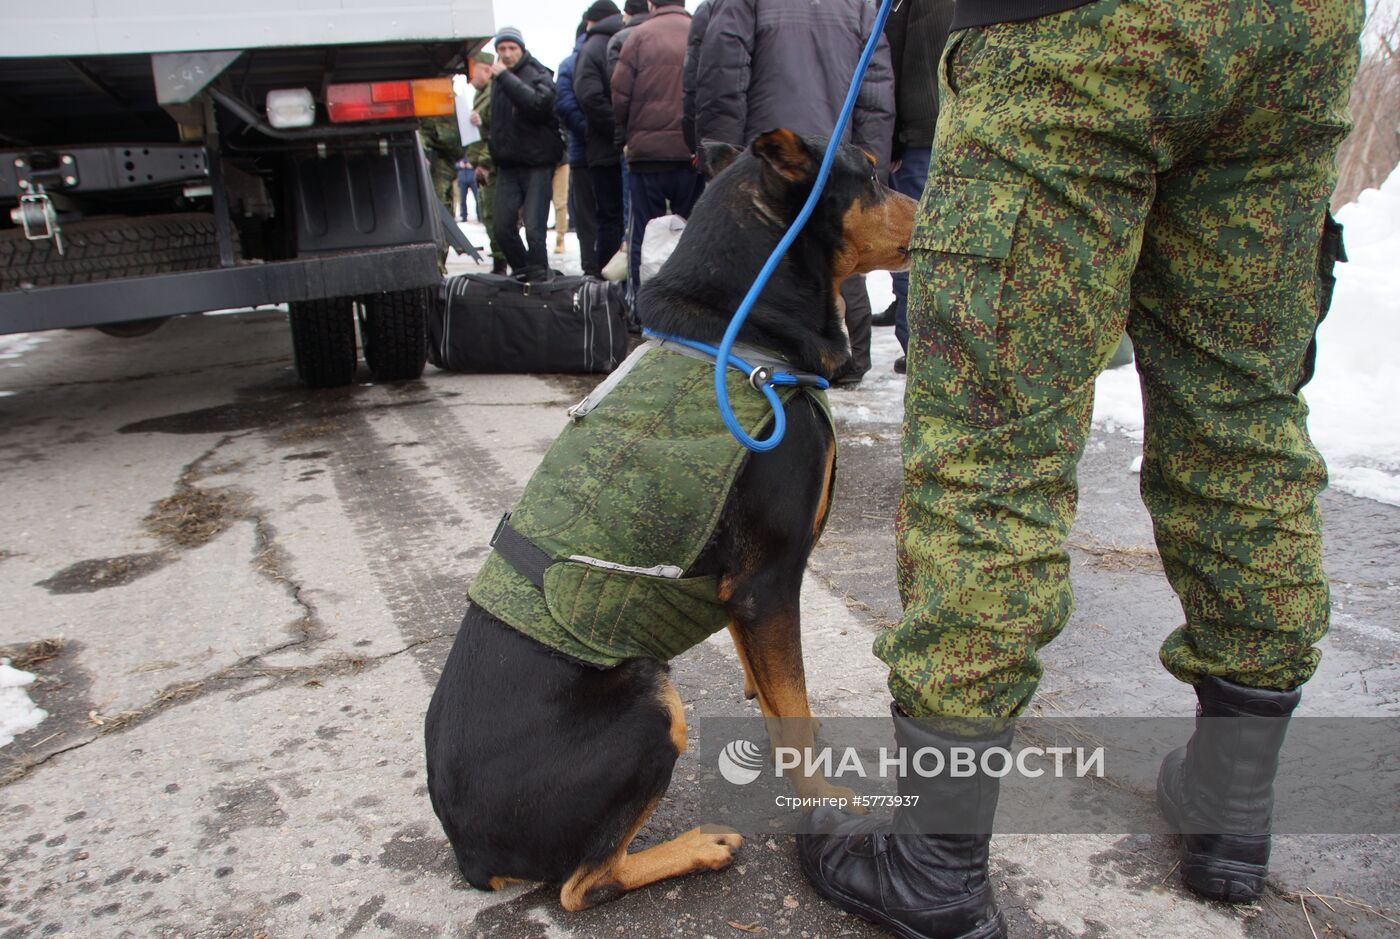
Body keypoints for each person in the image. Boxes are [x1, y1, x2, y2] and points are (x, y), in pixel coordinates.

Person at [797, 3, 1363, 938]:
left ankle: (936, 865)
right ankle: (1231, 803)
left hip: (1074, 34)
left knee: (992, 447)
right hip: (1290, 33)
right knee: (1241, 415)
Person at [694, 0, 894, 386]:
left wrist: (722, 161)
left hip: (769, 161)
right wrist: (870, 173)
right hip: (837, 156)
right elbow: (876, 93)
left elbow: (724, 74)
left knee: (760, 262)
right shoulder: (859, 6)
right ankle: (852, 362)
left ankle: (757, 355)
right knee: (843, 254)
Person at [873, 0, 955, 375]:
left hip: (923, 130)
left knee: (916, 240)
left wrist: (888, 144)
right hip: (968, 125)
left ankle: (918, 343)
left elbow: (885, 57)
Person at [612, 0, 704, 304]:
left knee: (642, 232)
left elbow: (620, 95)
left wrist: (626, 135)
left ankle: (641, 306)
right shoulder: (698, 30)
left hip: (646, 154)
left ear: (651, 3)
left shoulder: (638, 36)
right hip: (690, 153)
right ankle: (688, 305)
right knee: (691, 233)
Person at [487, 26, 565, 281]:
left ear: (522, 49)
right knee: (501, 227)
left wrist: (507, 79)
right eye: (501, 49)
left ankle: (541, 280)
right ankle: (524, 274)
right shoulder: (498, 80)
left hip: (536, 164)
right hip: (508, 164)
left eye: (511, 48)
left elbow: (539, 106)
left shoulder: (537, 73)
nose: (507, 54)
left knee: (534, 231)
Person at [574, 1, 628, 275]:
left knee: (610, 218)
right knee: (633, 220)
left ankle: (607, 288)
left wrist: (617, 132)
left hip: (606, 149)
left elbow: (588, 96)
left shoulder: (592, 46)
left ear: (591, 21)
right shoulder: (631, 36)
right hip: (637, 145)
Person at [557, 19, 601, 275]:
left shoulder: (569, 63)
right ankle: (609, 270)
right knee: (611, 215)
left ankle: (590, 269)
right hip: (608, 150)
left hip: (582, 152)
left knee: (586, 218)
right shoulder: (612, 50)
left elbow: (564, 104)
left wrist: (586, 131)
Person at [464, 52, 506, 274]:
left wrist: (484, 163)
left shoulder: (491, 95)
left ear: (487, 70)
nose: (469, 79)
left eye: (473, 72)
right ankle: (499, 260)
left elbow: (494, 134)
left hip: (491, 166)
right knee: (489, 214)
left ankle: (501, 262)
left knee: (493, 214)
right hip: (486, 165)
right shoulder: (482, 95)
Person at [455, 156, 479, 222]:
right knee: (462, 199)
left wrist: (472, 165)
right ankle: (463, 216)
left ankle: (480, 215)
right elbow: (454, 164)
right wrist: (459, 165)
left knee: (477, 198)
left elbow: (480, 162)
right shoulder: (460, 153)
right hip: (462, 179)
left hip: (473, 178)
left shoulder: (473, 152)